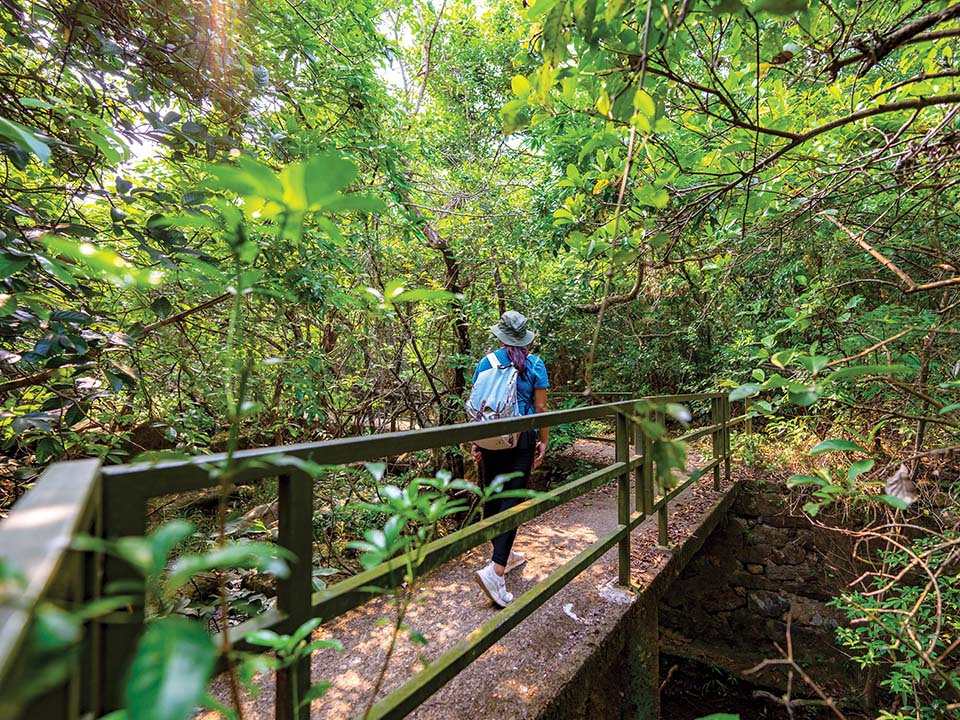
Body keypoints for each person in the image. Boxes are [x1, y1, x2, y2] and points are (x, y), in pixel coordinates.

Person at [471, 310, 549, 608]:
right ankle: (496, 571)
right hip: (522, 438)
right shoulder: (535, 364)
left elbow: (478, 405)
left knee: (494, 498)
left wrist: (476, 441)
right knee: (512, 500)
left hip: (491, 436)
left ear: (501, 337)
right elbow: (541, 409)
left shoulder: (486, 363)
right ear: (525, 338)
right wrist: (543, 440)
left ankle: (504, 554)